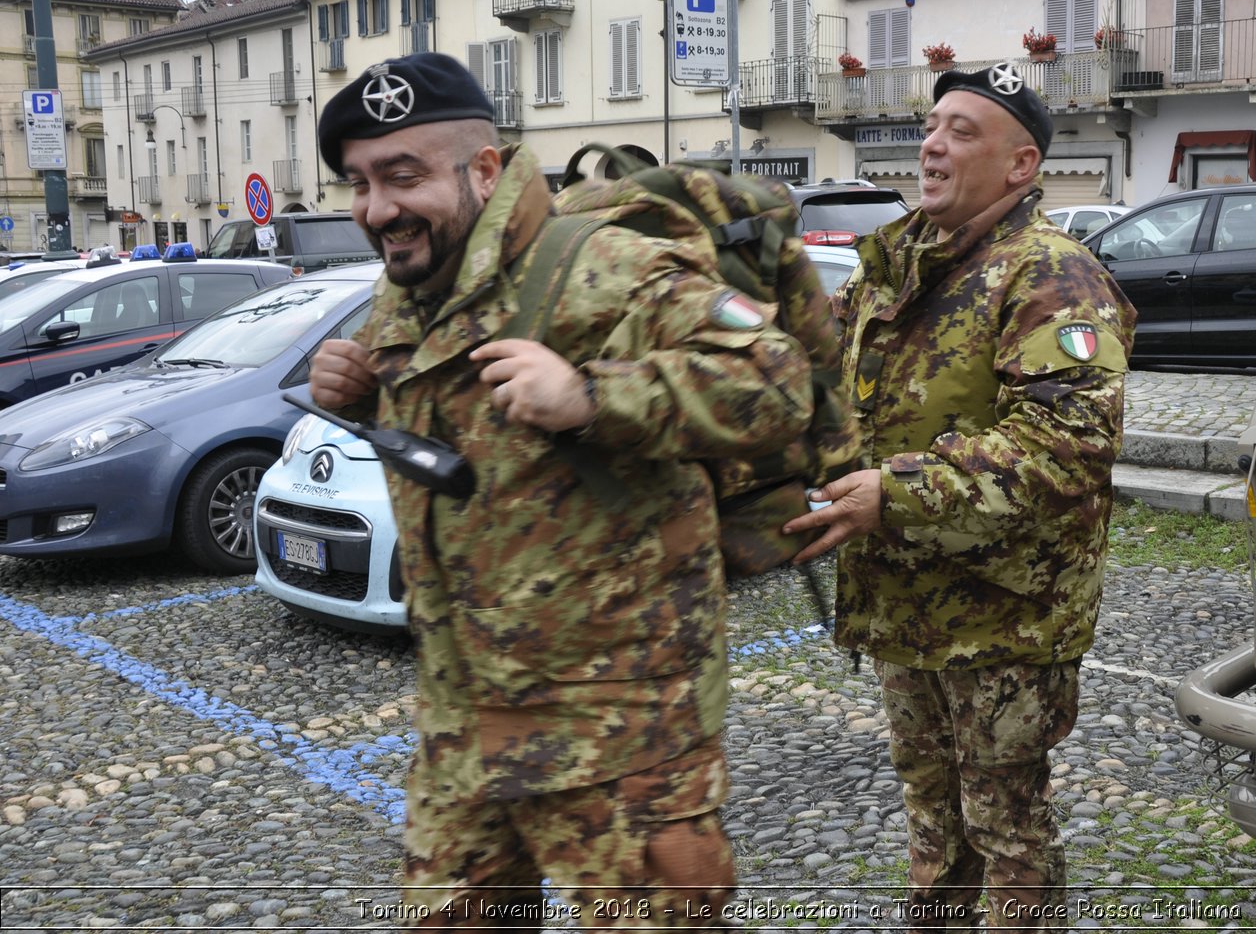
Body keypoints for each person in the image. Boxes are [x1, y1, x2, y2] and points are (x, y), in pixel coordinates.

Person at [308, 53, 815, 929]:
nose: (378, 208)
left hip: (621, 739)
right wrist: (361, 394)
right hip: (463, 729)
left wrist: (593, 397)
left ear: (485, 169)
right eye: (358, 183)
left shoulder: (604, 266)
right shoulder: (411, 294)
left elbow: (777, 381)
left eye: (402, 175)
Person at [783, 62, 1136, 928]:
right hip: (905, 603)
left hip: (1005, 619)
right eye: (932, 126)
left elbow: (1068, 441)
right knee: (934, 821)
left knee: (1005, 824)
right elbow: (815, 377)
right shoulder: (894, 265)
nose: (932, 145)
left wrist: (894, 495)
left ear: (1020, 166)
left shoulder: (1050, 272)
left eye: (962, 132)